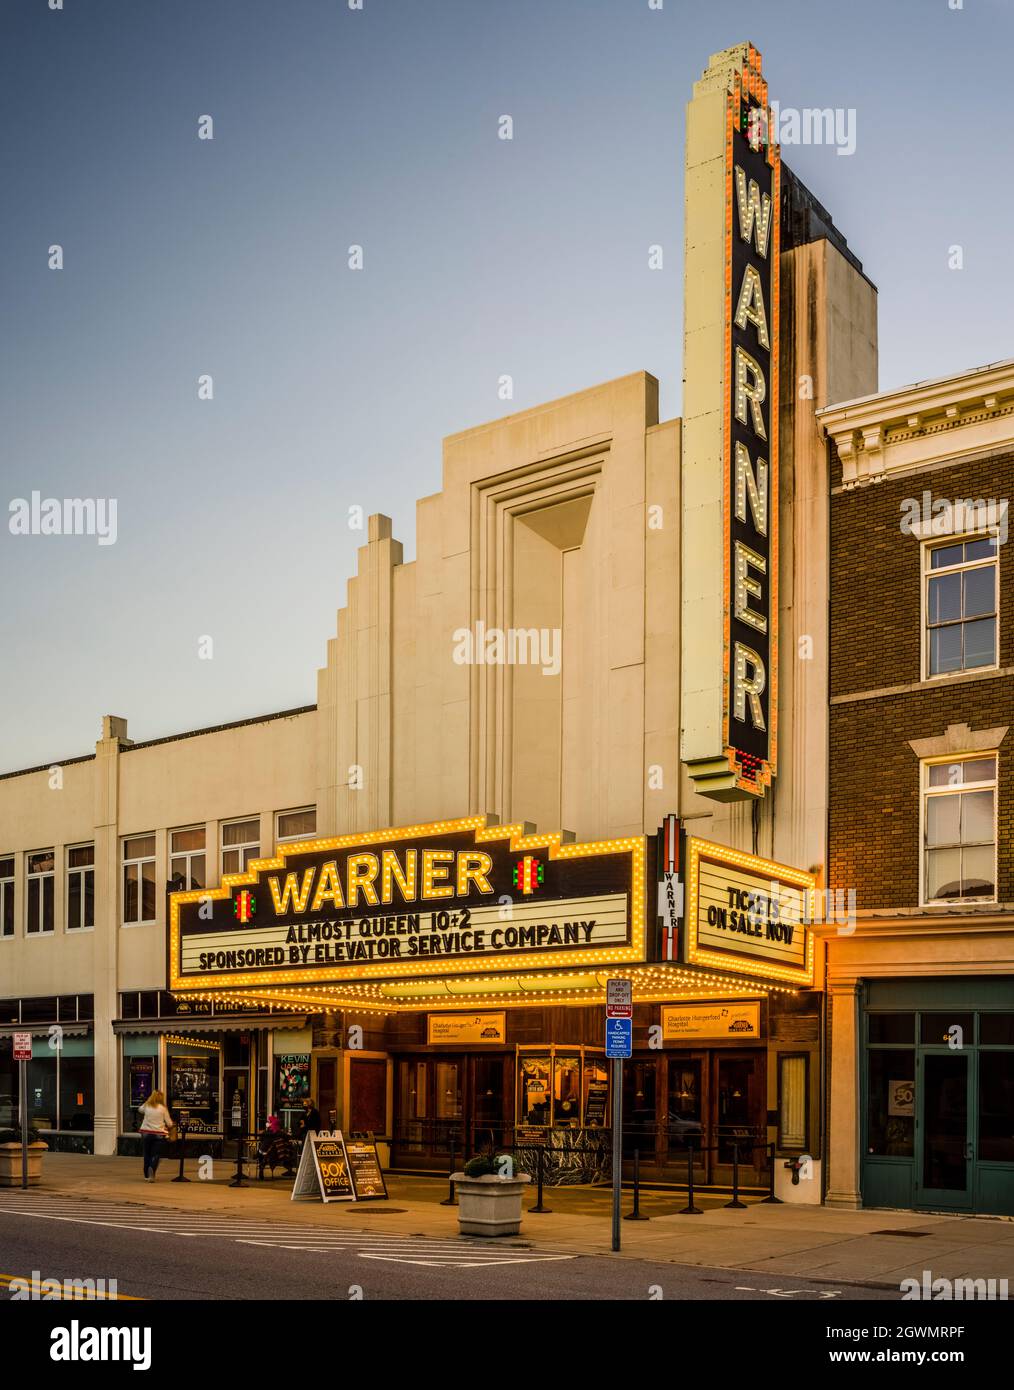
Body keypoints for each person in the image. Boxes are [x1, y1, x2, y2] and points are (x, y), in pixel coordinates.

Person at [138, 1089, 174, 1181]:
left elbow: (140, 1110)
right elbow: (169, 1123)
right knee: (156, 1154)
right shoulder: (163, 1108)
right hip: (159, 1134)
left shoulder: (147, 1105)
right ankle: (152, 1167)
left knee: (147, 1154)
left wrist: (147, 1101)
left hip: (146, 1133)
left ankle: (146, 1175)